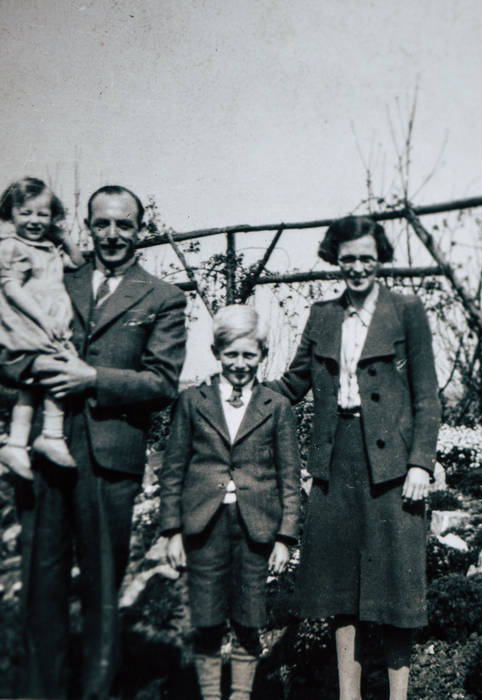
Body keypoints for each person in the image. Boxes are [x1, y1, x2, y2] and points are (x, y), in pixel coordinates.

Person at [0, 184, 187, 700]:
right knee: (42, 587)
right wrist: (28, 368)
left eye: (123, 224)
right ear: (87, 226)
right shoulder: (57, 275)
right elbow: (9, 345)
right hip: (46, 453)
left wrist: (93, 378)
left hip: (110, 461)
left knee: (103, 589)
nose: (112, 234)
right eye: (101, 223)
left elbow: (162, 382)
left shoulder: (162, 297)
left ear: (140, 230)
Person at [267, 216, 441, 700]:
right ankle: (350, 695)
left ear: (380, 258)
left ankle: (398, 696)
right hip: (335, 461)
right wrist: (237, 395)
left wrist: (421, 463)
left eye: (367, 257)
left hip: (393, 467)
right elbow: (293, 383)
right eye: (348, 259)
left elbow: (427, 396)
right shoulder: (322, 315)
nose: (358, 267)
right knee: (342, 590)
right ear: (335, 260)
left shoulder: (406, 311)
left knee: (396, 591)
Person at [160, 304, 300, 700]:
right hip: (204, 526)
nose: (240, 363)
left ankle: (240, 694)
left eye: (249, 355)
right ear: (216, 353)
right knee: (206, 620)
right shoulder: (193, 401)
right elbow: (173, 469)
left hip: (256, 527)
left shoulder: (276, 406)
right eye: (231, 354)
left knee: (248, 619)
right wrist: (172, 531)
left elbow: (290, 478)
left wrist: (284, 537)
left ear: (262, 355)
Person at [0, 177, 85, 478]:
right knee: (57, 370)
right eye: (26, 213)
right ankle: (50, 434)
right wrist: (42, 319)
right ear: (11, 214)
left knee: (33, 385)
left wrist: (63, 236)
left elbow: (78, 263)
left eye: (42, 214)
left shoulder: (48, 247)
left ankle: (18, 443)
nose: (34, 220)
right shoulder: (13, 247)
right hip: (30, 324)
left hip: (51, 326)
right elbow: (11, 288)